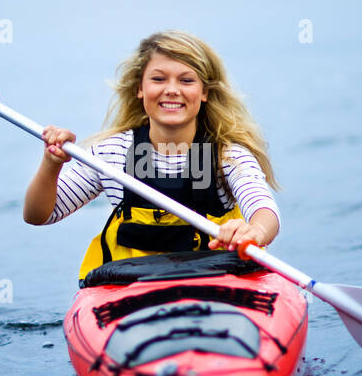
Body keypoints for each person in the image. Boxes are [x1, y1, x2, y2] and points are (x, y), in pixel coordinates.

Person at [22, 30, 281, 280]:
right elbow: (39, 215)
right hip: (131, 288)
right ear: (140, 88)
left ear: (204, 92)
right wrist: (51, 163)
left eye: (186, 80)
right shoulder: (111, 153)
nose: (171, 89)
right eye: (158, 79)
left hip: (218, 281)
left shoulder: (226, 155)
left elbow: (264, 209)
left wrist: (255, 231)